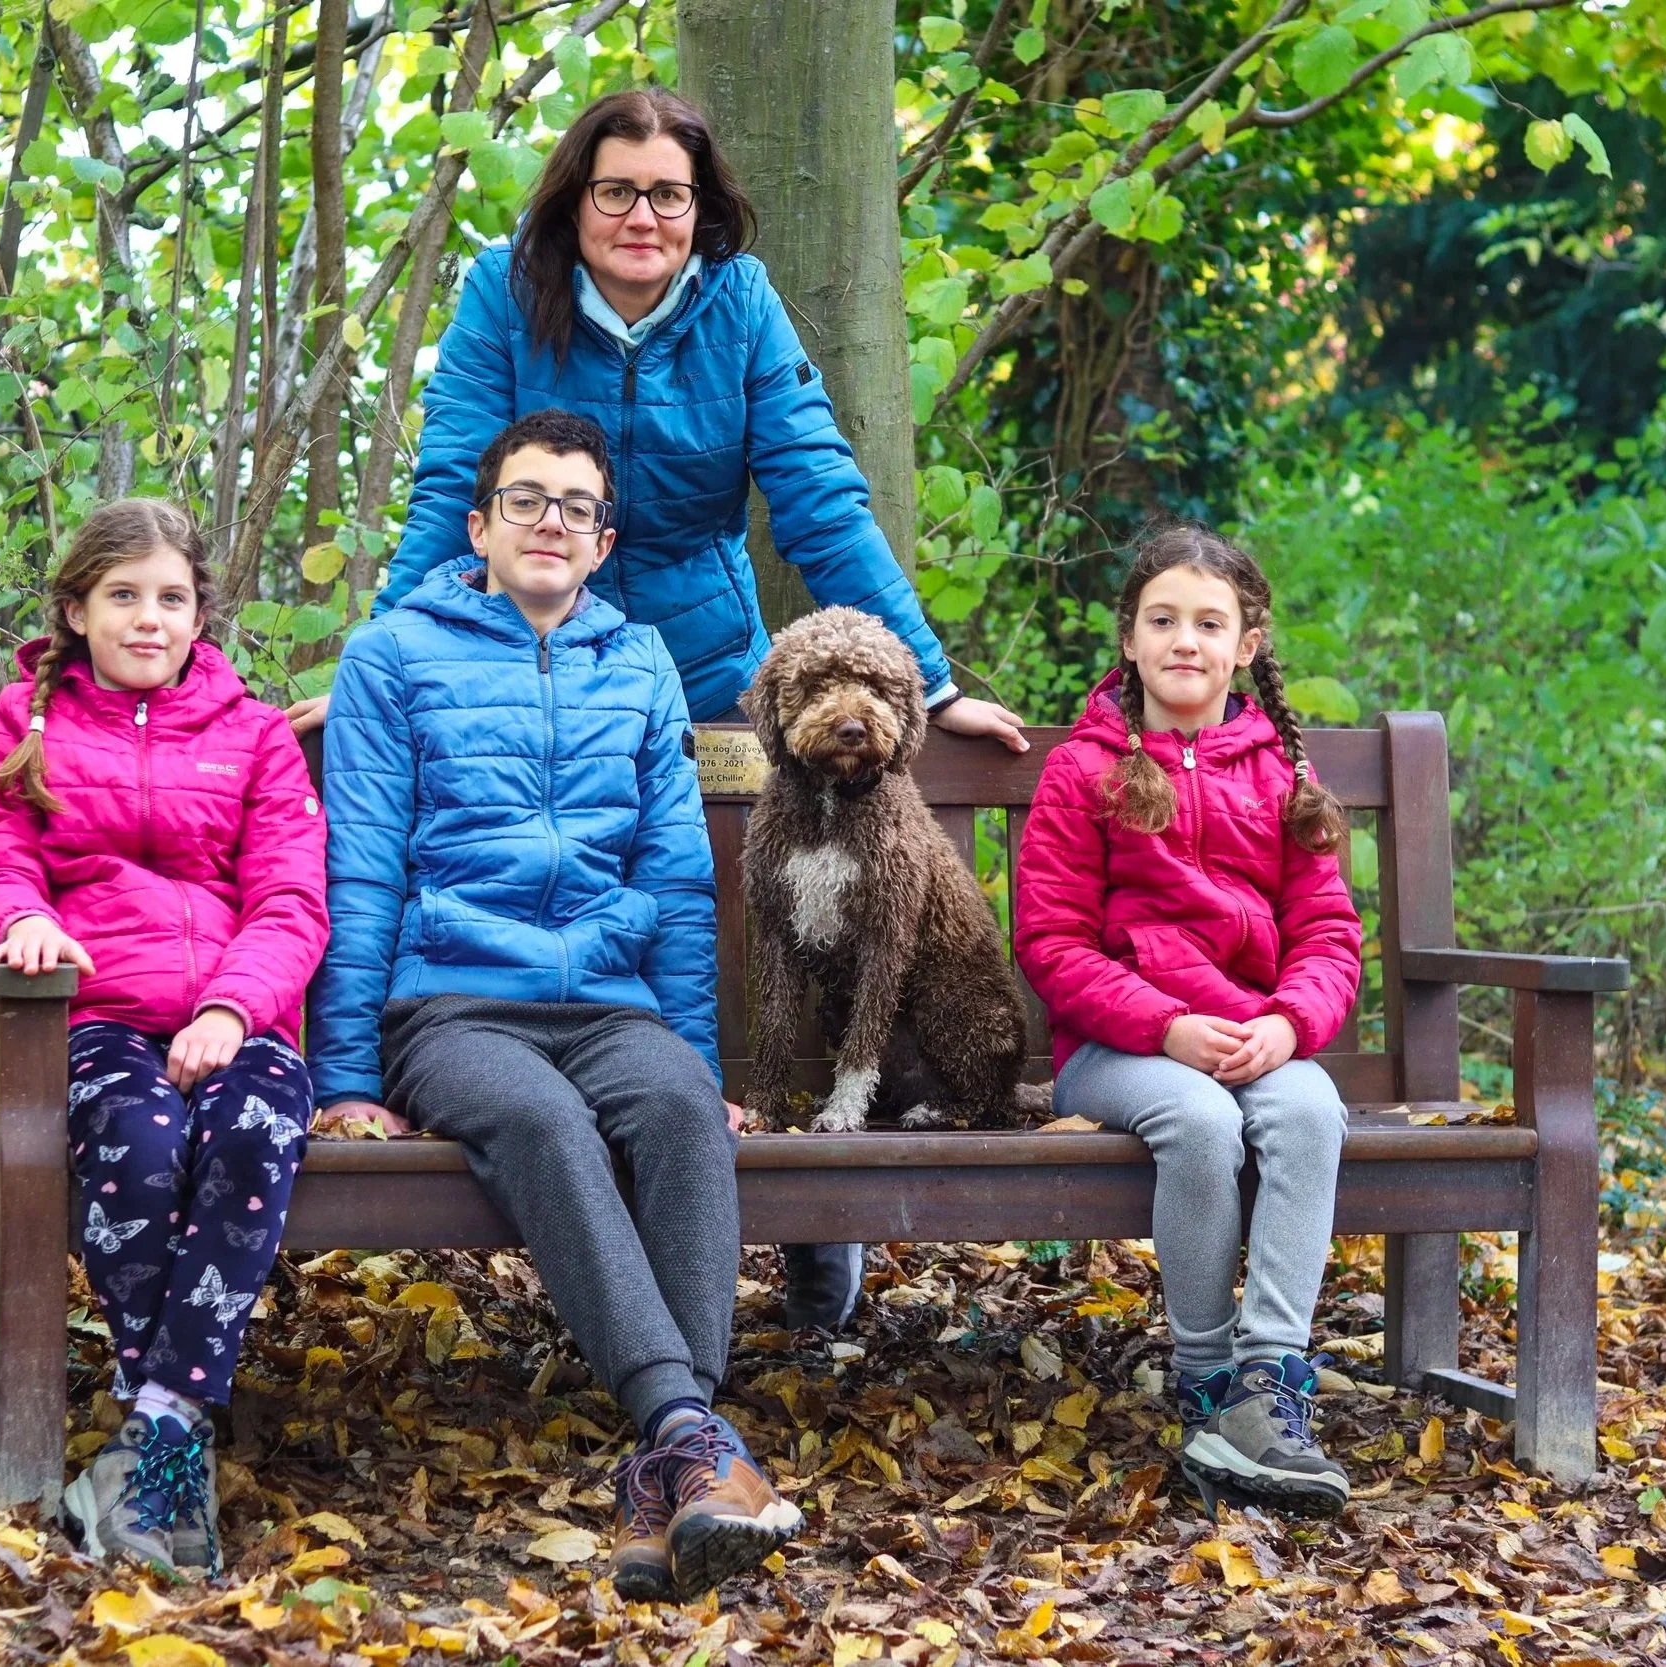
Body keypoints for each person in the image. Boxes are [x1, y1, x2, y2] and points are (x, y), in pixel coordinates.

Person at [294, 86, 1028, 1327]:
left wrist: (929, 675)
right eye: (617, 190)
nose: (644, 216)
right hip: (515, 642)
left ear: (704, 208)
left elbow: (815, 492)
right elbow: (452, 488)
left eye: (670, 194)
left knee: (737, 907)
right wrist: (386, 642)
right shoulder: (502, 293)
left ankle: (795, 1211)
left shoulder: (736, 304)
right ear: (575, 200)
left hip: (694, 661)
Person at [309, 409, 802, 1601]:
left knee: (679, 1112)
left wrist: (694, 1057)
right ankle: (690, 1436)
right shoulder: (392, 654)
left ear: (600, 541)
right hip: (454, 1006)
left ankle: (663, 1473)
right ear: (478, 527)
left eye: (574, 508)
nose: (549, 523)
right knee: (543, 1122)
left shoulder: (637, 663)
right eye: (525, 500)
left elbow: (677, 881)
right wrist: (347, 1080)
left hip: (610, 1000)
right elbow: (362, 868)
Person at [0, 499, 329, 1573]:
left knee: (258, 1124)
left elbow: (291, 899)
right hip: (96, 1013)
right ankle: (165, 1454)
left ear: (199, 614)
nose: (148, 618)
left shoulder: (254, 733)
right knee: (142, 1136)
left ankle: (154, 1432)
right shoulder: (22, 724)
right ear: (76, 610)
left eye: (171, 598)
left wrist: (229, 1007)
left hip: (235, 1008)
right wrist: (22, 920)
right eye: (123, 596)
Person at [1011, 522, 1363, 1514]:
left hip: (1257, 1033)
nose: (1184, 640)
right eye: (1161, 619)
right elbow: (1052, 943)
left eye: (1209, 623)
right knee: (1200, 1119)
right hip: (1121, 1052)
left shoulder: (1281, 774)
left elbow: (1329, 933)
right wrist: (1165, 1025)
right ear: (1127, 637)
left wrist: (1290, 1026)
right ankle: (1206, 1378)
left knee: (1305, 1108)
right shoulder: (1086, 771)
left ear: (1246, 643)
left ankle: (1267, 1381)